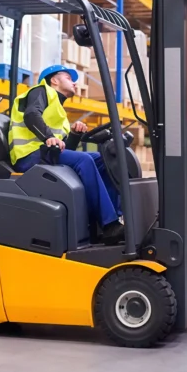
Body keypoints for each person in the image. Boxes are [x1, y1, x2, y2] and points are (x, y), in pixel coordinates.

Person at [8, 64, 124, 244]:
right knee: (85, 160)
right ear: (54, 80)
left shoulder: (58, 109)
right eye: (69, 78)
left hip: (45, 154)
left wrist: (75, 135)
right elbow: (31, 115)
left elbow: (64, 149)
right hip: (29, 156)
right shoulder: (40, 92)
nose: (75, 83)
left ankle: (115, 217)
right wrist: (48, 137)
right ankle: (109, 225)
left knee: (103, 159)